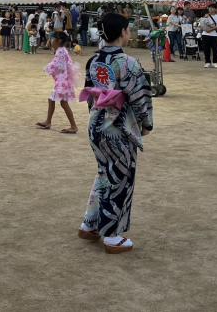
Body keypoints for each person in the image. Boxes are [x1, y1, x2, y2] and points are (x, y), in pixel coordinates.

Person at [78, 13, 153, 254]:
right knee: (120, 178)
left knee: (105, 172)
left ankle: (89, 223)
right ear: (122, 32)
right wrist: (146, 123)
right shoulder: (127, 63)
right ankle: (111, 234)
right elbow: (140, 96)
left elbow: (91, 94)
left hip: (96, 123)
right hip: (118, 127)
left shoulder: (94, 61)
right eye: (128, 29)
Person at [37, 32, 78, 133]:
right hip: (63, 81)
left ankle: (73, 126)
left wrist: (47, 67)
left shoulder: (60, 51)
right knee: (52, 100)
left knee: (63, 103)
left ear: (58, 41)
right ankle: (48, 121)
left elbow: (57, 65)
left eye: (52, 39)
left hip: (62, 82)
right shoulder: (61, 50)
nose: (50, 41)